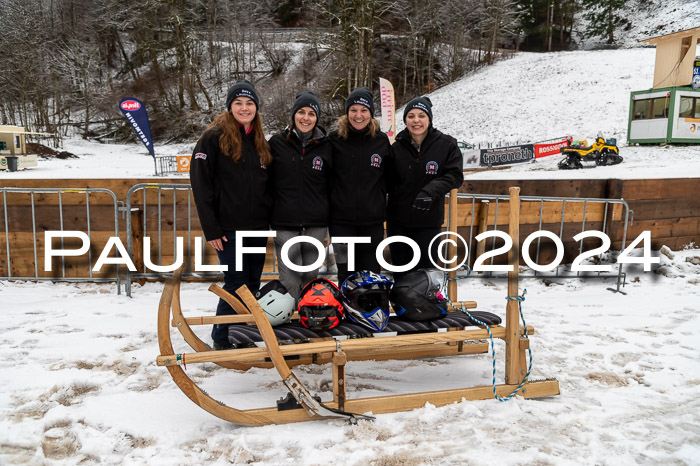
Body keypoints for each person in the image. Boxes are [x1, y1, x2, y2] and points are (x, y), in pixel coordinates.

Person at [190, 80, 272, 350]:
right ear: (229, 107)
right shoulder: (213, 137)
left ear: (256, 108)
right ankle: (222, 337)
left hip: (257, 227)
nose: (244, 108)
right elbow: (201, 185)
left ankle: (241, 334)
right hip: (229, 228)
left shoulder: (258, 139)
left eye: (250, 103)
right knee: (236, 282)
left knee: (251, 283)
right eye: (238, 103)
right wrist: (211, 229)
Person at [387, 96, 463, 279]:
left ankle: (424, 308)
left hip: (428, 223)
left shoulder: (446, 145)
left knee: (426, 277)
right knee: (401, 277)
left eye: (421, 115)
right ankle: (402, 307)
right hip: (398, 223)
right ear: (405, 120)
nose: (416, 120)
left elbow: (454, 175)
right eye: (411, 116)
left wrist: (431, 190)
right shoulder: (395, 148)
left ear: (429, 118)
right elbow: (386, 180)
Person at [268, 91, 332, 299]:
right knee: (290, 278)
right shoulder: (277, 143)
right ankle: (292, 326)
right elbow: (266, 181)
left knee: (311, 274)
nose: (306, 118)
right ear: (294, 115)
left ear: (317, 118)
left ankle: (309, 318)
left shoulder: (326, 146)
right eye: (301, 112)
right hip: (285, 222)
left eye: (311, 113)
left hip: (316, 221)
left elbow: (333, 184)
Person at [329, 87, 391, 285]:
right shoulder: (334, 140)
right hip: (340, 223)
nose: (358, 115)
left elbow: (391, 177)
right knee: (345, 273)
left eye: (363, 110)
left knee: (370, 274)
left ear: (371, 114)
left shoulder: (381, 141)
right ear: (347, 113)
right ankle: (347, 314)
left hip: (371, 222)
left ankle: (369, 314)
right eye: (353, 110)